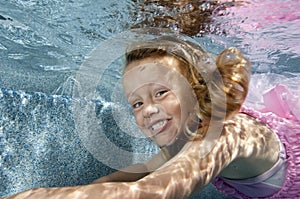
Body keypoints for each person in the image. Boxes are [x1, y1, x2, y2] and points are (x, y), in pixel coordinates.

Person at [3, 36, 299, 199]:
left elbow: (154, 191)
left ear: (196, 91)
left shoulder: (228, 134)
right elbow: (138, 174)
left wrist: (37, 197)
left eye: (161, 93)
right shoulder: (189, 135)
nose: (148, 110)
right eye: (136, 103)